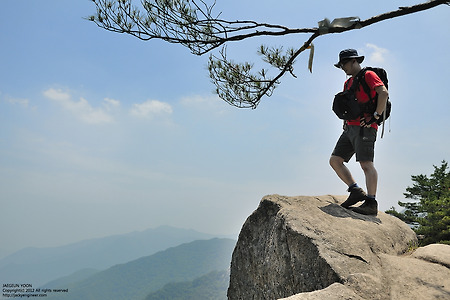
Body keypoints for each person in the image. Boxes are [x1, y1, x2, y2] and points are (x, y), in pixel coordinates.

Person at [329, 49, 389, 215]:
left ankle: (371, 202)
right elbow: (348, 104)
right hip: (350, 127)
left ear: (354, 61)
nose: (343, 67)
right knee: (335, 160)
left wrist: (375, 116)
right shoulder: (348, 83)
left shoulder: (368, 75)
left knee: (366, 164)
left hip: (366, 127)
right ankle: (355, 191)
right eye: (340, 65)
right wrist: (344, 122)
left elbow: (383, 92)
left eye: (344, 63)